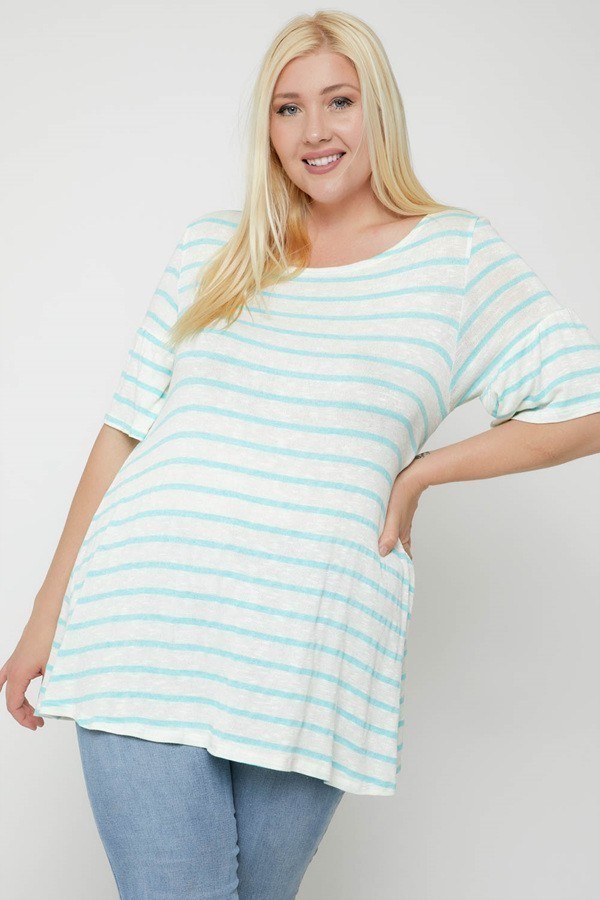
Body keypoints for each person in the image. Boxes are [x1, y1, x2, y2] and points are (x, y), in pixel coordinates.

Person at [3, 9, 600, 899]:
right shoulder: (215, 250)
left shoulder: (456, 257)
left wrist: (424, 471)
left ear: (378, 110)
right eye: (288, 108)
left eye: (338, 101)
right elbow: (124, 431)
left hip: (314, 647)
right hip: (146, 616)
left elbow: (587, 402)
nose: (314, 130)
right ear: (268, 128)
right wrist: (44, 617)